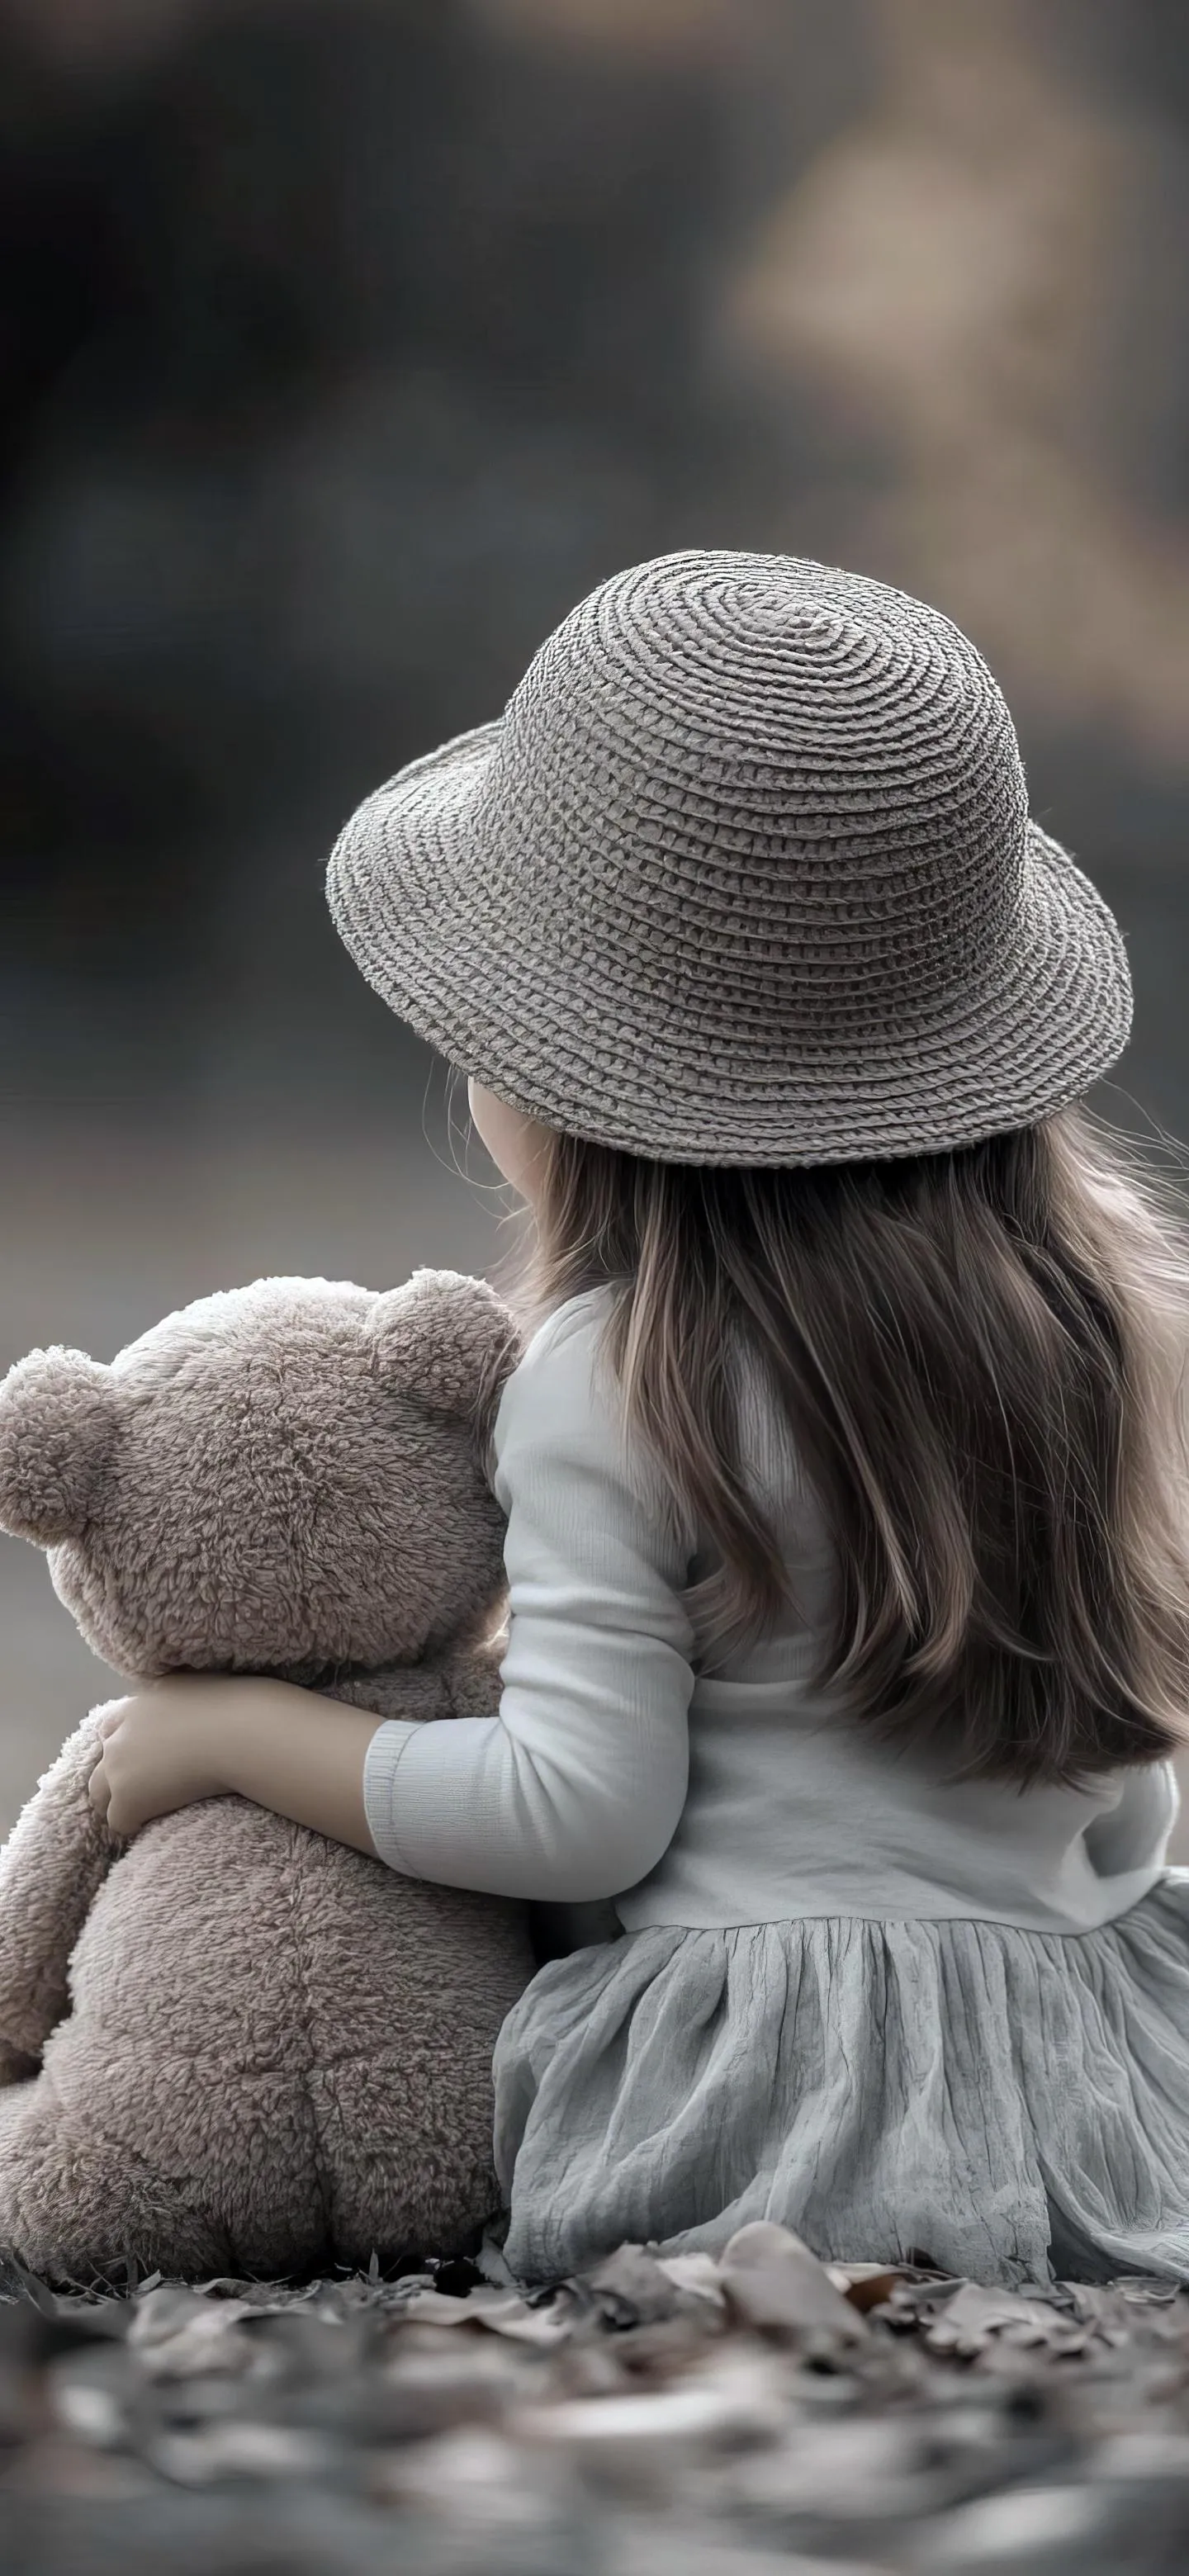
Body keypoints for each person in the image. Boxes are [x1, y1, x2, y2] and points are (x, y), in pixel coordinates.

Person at [88, 550, 1189, 2291]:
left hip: (770, 2103)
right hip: (1100, 2081)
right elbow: (1130, 1812)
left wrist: (226, 1738)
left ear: (572, 1082)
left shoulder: (616, 1377)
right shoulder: (1104, 1319)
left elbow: (577, 1820)